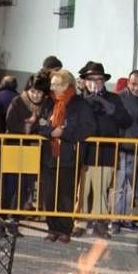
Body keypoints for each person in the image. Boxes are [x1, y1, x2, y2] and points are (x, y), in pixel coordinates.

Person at [76, 61, 131, 237]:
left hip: (106, 151)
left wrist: (106, 104)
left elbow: (125, 120)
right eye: (91, 79)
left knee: (101, 189)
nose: (95, 83)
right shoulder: (79, 100)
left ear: (104, 81)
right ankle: (80, 222)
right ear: (85, 81)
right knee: (82, 189)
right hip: (85, 151)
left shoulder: (114, 99)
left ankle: (100, 223)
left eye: (99, 79)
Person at [41, 68, 95, 243]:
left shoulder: (80, 104)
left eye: (57, 84)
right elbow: (39, 125)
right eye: (52, 84)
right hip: (48, 155)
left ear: (67, 85)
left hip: (69, 156)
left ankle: (65, 229)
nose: (53, 87)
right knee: (49, 194)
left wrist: (63, 133)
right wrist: (51, 132)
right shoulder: (48, 103)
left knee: (66, 194)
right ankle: (52, 228)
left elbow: (87, 128)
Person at [1, 71, 53, 220]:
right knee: (9, 186)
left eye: (40, 92)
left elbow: (47, 125)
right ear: (27, 90)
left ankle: (15, 220)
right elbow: (10, 122)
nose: (36, 95)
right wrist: (28, 126)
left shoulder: (47, 104)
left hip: (33, 151)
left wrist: (35, 125)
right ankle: (2, 219)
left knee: (25, 187)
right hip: (14, 148)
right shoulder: (18, 101)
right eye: (33, 91)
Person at [113, 69, 138, 225]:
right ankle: (116, 219)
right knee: (120, 186)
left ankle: (130, 219)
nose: (136, 88)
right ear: (128, 83)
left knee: (134, 183)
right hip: (124, 148)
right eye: (133, 84)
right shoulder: (119, 98)